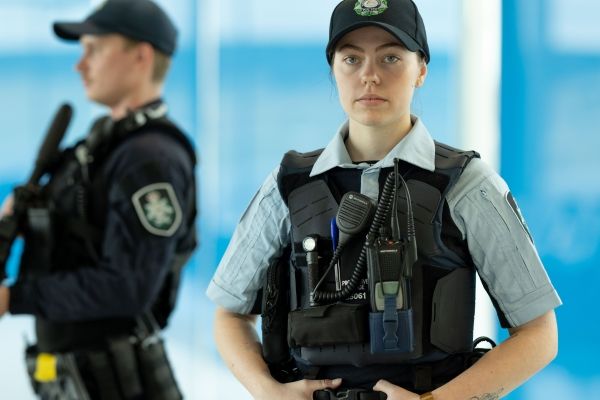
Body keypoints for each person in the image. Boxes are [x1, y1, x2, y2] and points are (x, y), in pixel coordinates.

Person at [207, 0, 561, 399]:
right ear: (333, 71)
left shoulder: (467, 184)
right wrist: (270, 392)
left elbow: (539, 334)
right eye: (351, 59)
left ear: (421, 70)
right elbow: (229, 314)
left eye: (390, 57)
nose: (369, 76)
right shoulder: (289, 184)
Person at [0, 0, 197, 399]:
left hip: (118, 382)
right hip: (77, 376)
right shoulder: (103, 145)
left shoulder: (150, 160)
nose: (80, 64)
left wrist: (14, 296)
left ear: (141, 56)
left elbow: (129, 286)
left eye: (94, 49)